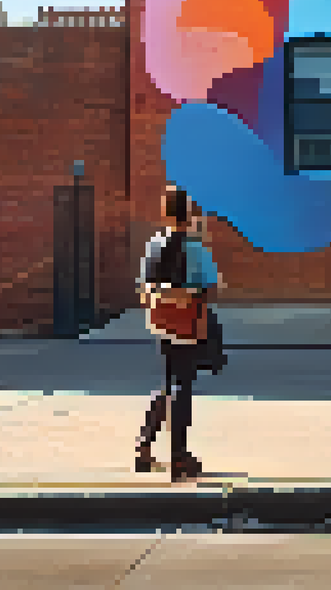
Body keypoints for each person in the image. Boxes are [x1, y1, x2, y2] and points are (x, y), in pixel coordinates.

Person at [136, 183, 226, 481]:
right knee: (182, 387)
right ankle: (179, 456)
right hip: (187, 323)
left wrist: (163, 296)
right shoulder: (194, 248)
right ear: (189, 213)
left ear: (165, 212)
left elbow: (145, 288)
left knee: (167, 382)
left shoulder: (154, 244)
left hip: (161, 321)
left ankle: (144, 446)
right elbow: (213, 285)